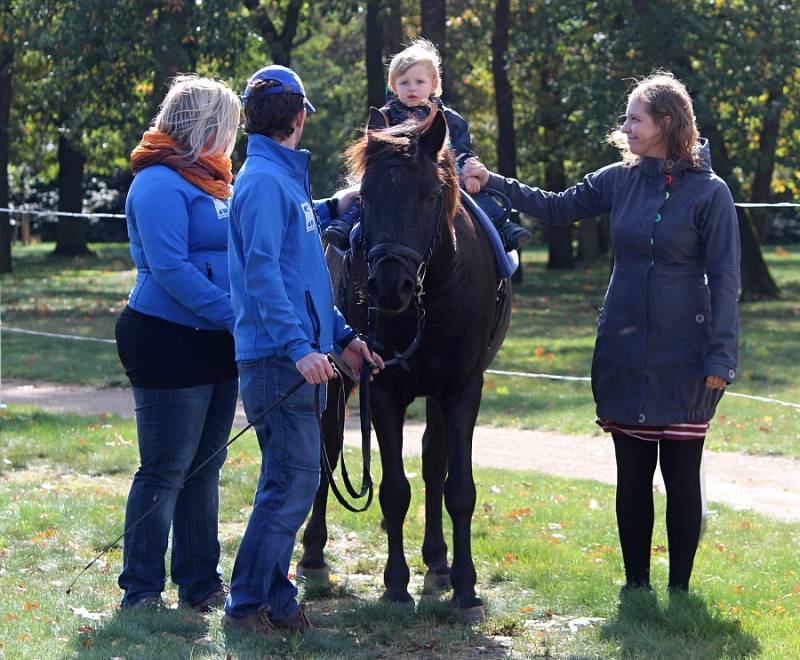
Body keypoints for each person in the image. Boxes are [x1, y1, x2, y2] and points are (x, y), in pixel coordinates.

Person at [462, 71, 740, 596]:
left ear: (665, 122)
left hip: (687, 352)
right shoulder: (620, 178)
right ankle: (636, 586)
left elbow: (727, 278)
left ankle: (679, 590)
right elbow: (555, 204)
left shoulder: (711, 193)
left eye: (636, 117)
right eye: (627, 118)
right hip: (623, 347)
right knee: (631, 472)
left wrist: (722, 358)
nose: (627, 127)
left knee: (682, 474)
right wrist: (492, 181)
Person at [223, 64, 384, 636]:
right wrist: (298, 348)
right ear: (298, 117)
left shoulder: (280, 179)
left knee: (287, 481)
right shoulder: (265, 182)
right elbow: (263, 274)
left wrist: (344, 339)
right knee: (290, 484)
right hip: (276, 360)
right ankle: (247, 608)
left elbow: (306, 277)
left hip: (295, 355)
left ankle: (277, 601)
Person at [114, 75, 241, 610]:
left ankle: (199, 584)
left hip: (216, 340)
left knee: (204, 469)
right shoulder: (159, 182)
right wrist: (240, 318)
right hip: (167, 339)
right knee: (165, 471)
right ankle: (141, 591)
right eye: (229, 127)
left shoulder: (214, 180)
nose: (233, 140)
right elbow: (171, 270)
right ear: (206, 126)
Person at [322, 38, 531, 254]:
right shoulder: (385, 117)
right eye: (404, 83)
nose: (412, 88)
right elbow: (373, 154)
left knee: (475, 196)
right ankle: (345, 224)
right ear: (394, 87)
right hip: (394, 183)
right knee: (370, 196)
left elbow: (463, 150)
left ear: (434, 85)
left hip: (443, 181)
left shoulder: (450, 119)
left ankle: (502, 226)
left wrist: (469, 174)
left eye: (419, 82)